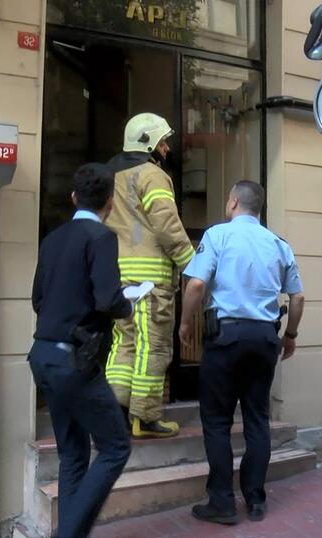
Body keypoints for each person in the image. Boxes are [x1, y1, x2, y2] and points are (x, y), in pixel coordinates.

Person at [179, 180, 305, 525]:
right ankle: (256, 500)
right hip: (264, 340)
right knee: (256, 420)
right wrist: (290, 335)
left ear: (233, 202)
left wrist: (185, 323)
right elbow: (297, 297)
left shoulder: (218, 235)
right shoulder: (279, 244)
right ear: (259, 208)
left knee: (217, 421)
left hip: (226, 339)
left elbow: (197, 284)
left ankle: (221, 502)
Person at [30, 163, 133, 538]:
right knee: (116, 447)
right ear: (110, 201)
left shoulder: (53, 238)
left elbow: (38, 299)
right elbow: (108, 300)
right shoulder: (102, 238)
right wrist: (130, 303)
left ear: (74, 197)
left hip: (43, 358)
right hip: (76, 363)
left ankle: (70, 534)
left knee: (73, 453)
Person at [104, 112, 195, 439]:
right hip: (151, 281)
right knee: (153, 347)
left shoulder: (112, 176)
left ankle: (117, 413)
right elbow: (167, 226)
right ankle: (145, 418)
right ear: (149, 144)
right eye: (163, 142)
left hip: (119, 277)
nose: (167, 149)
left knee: (124, 343)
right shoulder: (152, 176)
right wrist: (192, 265)